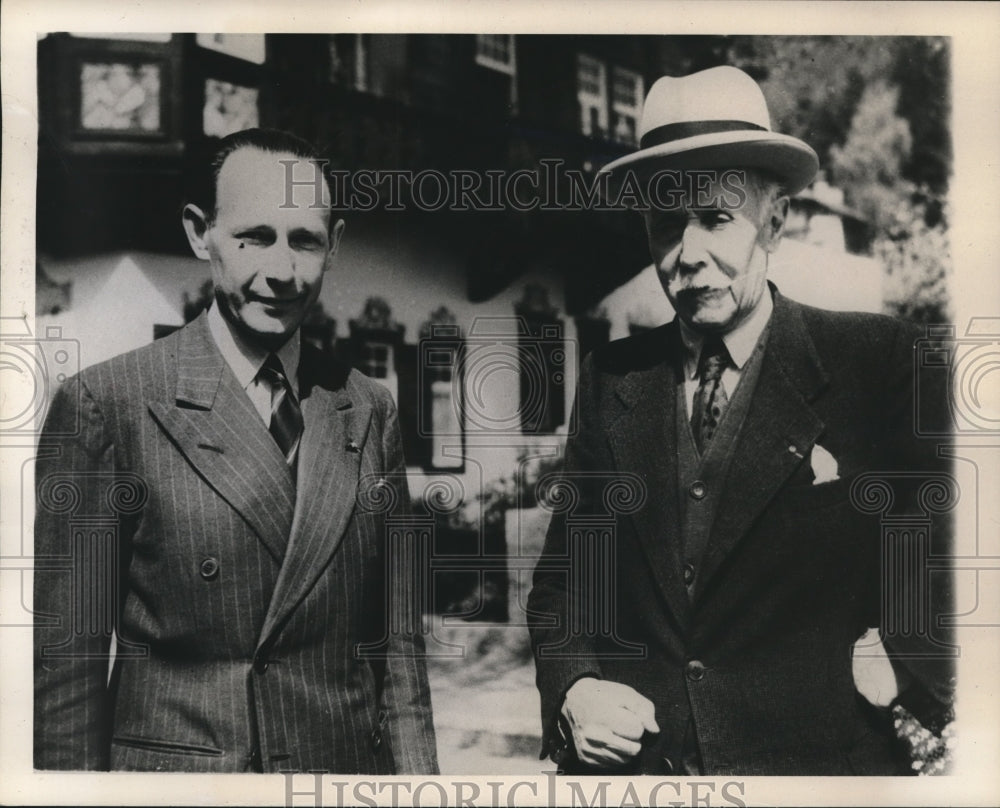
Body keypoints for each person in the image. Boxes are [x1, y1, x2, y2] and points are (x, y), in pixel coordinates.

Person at [527, 66, 955, 776]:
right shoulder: (613, 379)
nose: (688, 254)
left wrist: (909, 655)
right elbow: (568, 579)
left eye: (716, 218)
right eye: (667, 223)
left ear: (776, 220)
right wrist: (576, 689)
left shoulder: (877, 361)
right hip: (641, 774)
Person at [33, 128, 439, 774]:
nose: (281, 271)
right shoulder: (108, 404)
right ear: (201, 233)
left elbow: (399, 649)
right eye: (255, 236)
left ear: (333, 247)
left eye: (304, 240)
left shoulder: (369, 409)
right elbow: (68, 668)